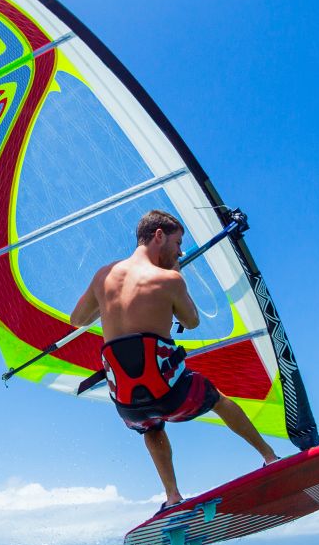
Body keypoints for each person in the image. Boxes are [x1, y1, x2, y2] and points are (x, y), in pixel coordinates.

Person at [69, 210, 279, 511]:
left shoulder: (103, 276)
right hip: (170, 394)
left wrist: (107, 305)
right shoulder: (169, 279)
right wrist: (177, 274)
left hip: (127, 405)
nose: (180, 251)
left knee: (151, 427)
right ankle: (270, 457)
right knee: (217, 399)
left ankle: (172, 496)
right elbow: (191, 321)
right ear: (158, 236)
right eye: (178, 243)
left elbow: (78, 319)